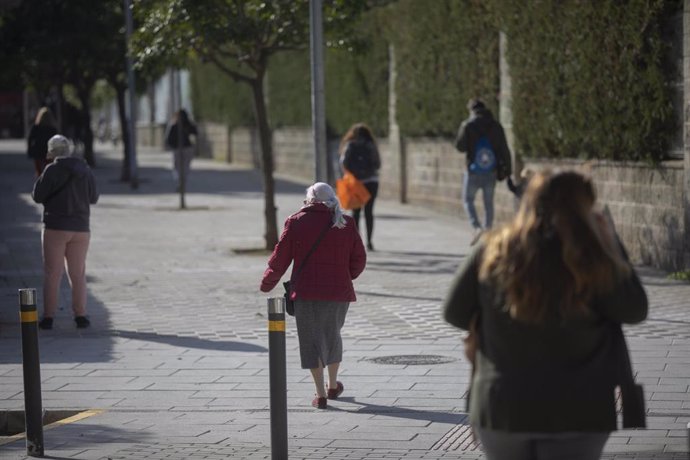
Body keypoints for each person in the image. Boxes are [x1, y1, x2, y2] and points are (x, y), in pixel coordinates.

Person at [443, 170, 648, 460]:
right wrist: (610, 242)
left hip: (503, 406)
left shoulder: (494, 248)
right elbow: (635, 309)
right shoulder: (594, 258)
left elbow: (454, 312)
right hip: (579, 408)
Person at [260, 183, 366, 409]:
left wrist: (267, 283)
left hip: (306, 293)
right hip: (338, 292)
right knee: (332, 336)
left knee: (310, 341)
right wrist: (346, 276)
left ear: (308, 200)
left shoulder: (296, 222)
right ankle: (333, 384)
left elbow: (280, 259)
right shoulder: (346, 223)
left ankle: (320, 395)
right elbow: (359, 259)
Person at [32, 135, 99, 330]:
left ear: (52, 152)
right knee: (78, 273)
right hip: (80, 229)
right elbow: (94, 197)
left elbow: (37, 196)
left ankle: (49, 317)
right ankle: (81, 316)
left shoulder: (51, 169)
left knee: (53, 273)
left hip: (55, 227)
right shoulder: (85, 170)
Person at [454, 99, 512, 244]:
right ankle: (488, 231)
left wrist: (463, 126)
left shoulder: (468, 125)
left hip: (473, 170)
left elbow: (460, 147)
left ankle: (476, 227)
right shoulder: (496, 126)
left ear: (471, 110)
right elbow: (504, 149)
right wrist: (508, 170)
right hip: (491, 170)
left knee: (468, 200)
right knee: (488, 203)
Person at [339, 123, 381, 251]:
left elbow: (343, 163)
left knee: (355, 213)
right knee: (369, 212)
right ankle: (369, 242)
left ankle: (356, 243)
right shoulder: (371, 145)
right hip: (372, 182)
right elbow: (378, 164)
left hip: (356, 183)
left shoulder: (350, 145)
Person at [165, 108, 197, 191]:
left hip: (178, 149)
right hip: (188, 148)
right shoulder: (188, 124)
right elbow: (195, 133)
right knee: (185, 167)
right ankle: (182, 182)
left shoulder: (174, 125)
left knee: (177, 167)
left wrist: (171, 146)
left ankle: (180, 182)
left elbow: (168, 139)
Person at [27, 107, 58, 177]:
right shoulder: (52, 129)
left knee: (39, 172)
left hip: (38, 152)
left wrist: (30, 149)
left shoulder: (36, 127)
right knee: (49, 170)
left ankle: (40, 183)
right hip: (48, 152)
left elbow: (30, 139)